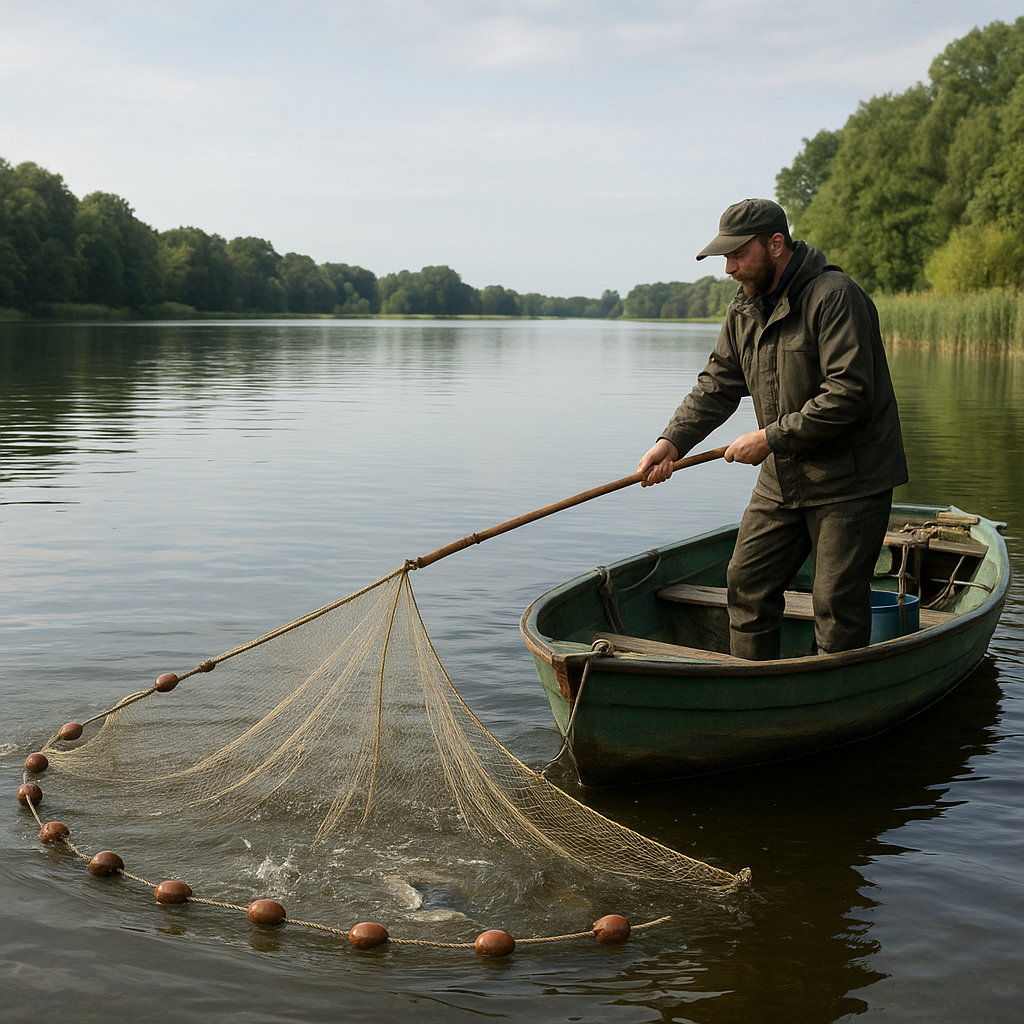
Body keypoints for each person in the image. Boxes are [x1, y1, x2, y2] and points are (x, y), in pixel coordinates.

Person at [638, 198, 908, 659]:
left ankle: (829, 708)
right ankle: (751, 693)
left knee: (836, 604)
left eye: (737, 254)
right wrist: (672, 441)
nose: (728, 267)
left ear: (776, 244)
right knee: (746, 584)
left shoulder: (834, 296)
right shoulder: (744, 308)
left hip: (851, 480)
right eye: (725, 257)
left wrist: (768, 438)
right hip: (782, 477)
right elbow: (718, 384)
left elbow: (849, 394)